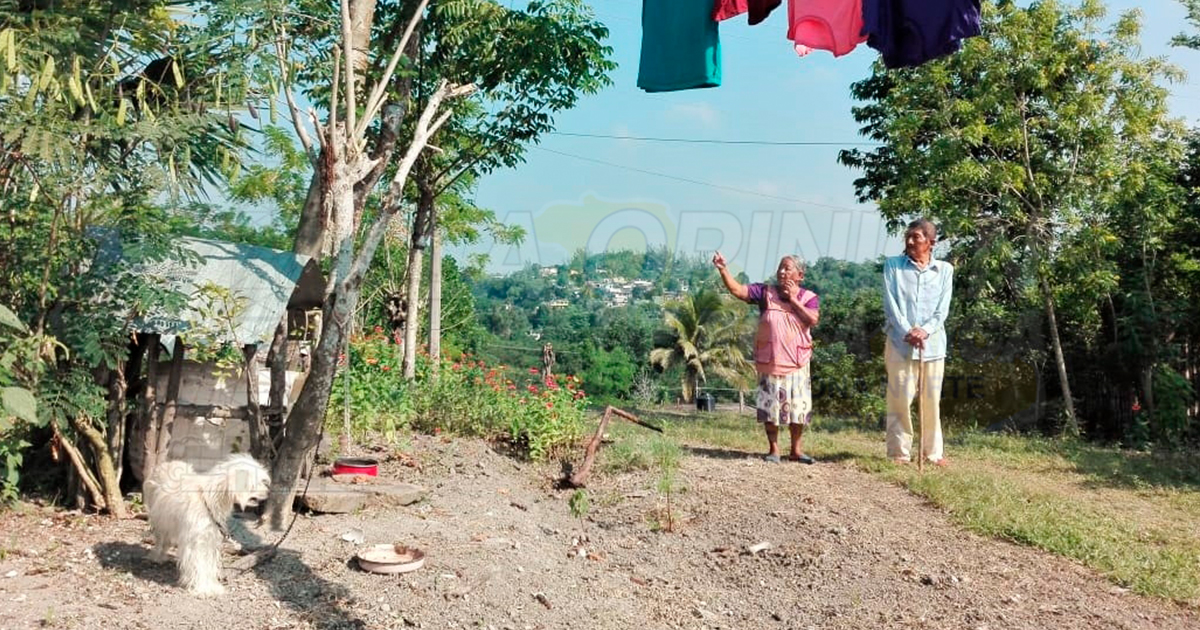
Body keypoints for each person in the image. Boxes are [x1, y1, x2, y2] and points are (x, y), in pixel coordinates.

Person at [713, 251, 819, 463]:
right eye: (780, 267)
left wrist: (793, 301)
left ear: (800, 275)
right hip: (770, 360)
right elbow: (737, 290)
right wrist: (723, 269)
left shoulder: (809, 297)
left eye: (787, 268)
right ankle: (774, 450)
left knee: (798, 407)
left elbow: (813, 320)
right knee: (771, 407)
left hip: (797, 361)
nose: (781, 272)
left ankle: (796, 450)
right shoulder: (764, 292)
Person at [882, 218, 954, 467]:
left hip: (932, 346)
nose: (910, 241)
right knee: (900, 397)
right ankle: (899, 452)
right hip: (900, 343)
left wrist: (925, 330)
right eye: (908, 236)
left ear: (931, 242)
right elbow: (891, 305)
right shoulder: (893, 266)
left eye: (917, 237)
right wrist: (908, 330)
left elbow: (942, 310)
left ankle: (932, 453)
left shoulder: (945, 270)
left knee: (931, 399)